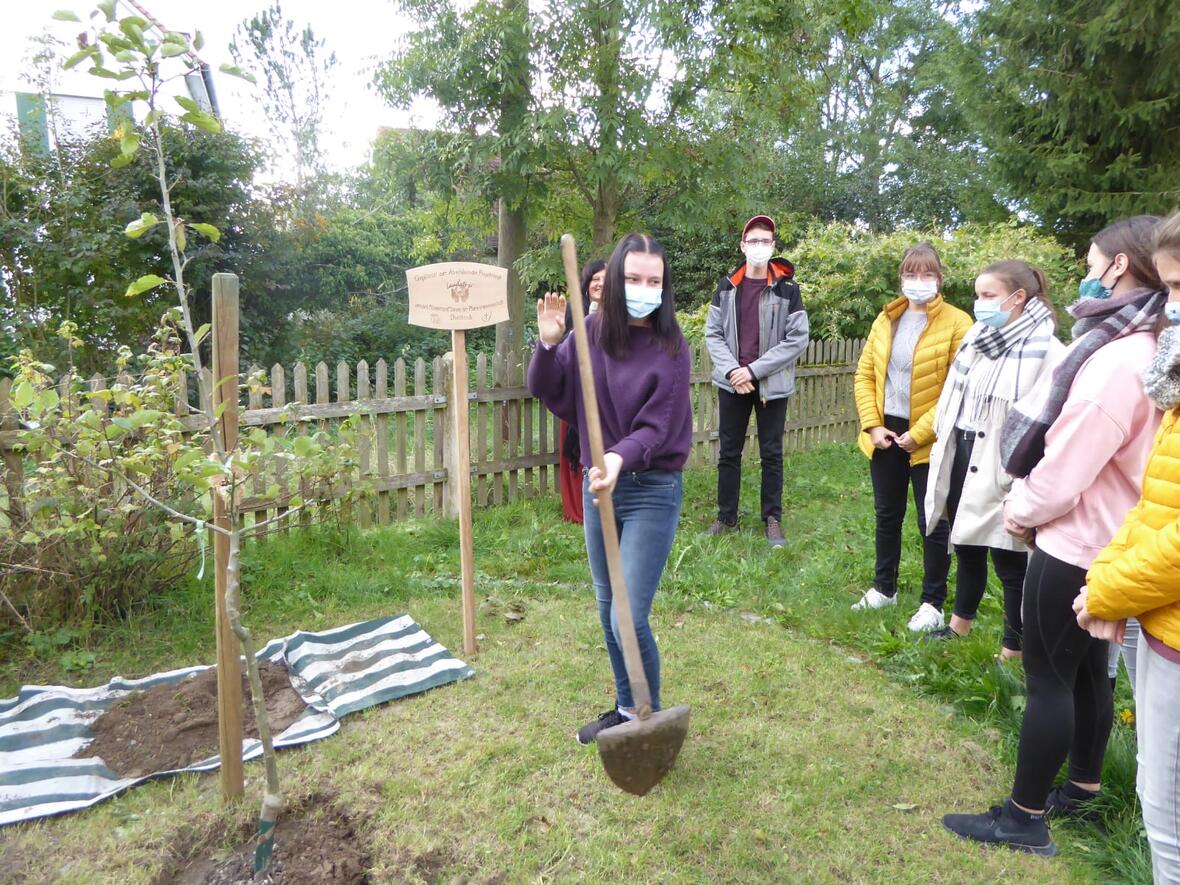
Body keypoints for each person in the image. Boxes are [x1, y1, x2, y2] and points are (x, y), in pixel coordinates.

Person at [944, 215, 1167, 856]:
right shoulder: (1156, 349)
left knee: (1048, 679)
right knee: (1091, 674)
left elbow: (1069, 461)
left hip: (1076, 541)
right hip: (1116, 540)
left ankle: (1023, 818)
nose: (1086, 276)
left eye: (1092, 263)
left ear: (1118, 267)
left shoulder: (1117, 360)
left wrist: (1021, 508)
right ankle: (1083, 791)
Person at [527, 232, 693, 746]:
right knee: (607, 605)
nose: (644, 288)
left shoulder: (671, 348)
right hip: (600, 486)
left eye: (654, 281)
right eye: (634, 278)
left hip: (651, 489)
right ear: (615, 281)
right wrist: (549, 343)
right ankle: (625, 708)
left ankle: (648, 719)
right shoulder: (590, 334)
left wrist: (618, 457)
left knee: (628, 616)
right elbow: (547, 387)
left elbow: (657, 427)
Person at [1074, 210, 1180, 882]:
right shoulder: (1175, 378)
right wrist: (1110, 576)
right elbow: (1157, 498)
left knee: (1169, 816)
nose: (1172, 306)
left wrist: (1106, 588)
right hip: (1159, 615)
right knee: (1157, 799)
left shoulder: (1133, 361)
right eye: (1168, 288)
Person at [924, 262, 1064, 648]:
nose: (979, 303)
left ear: (1017, 298)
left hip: (1006, 463)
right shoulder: (978, 338)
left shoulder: (1047, 350)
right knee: (966, 542)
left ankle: (1013, 646)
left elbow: (1047, 421)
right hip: (963, 450)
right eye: (978, 295)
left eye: (988, 295)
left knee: (1009, 557)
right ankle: (959, 626)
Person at [852, 243, 972, 623]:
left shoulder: (958, 323)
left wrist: (919, 434)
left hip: (931, 437)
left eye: (927, 274)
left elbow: (957, 389)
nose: (918, 281)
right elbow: (865, 375)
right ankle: (883, 589)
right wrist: (873, 425)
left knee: (931, 520)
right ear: (901, 277)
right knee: (887, 514)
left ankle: (932, 603)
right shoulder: (886, 319)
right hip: (886, 431)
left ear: (939, 278)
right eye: (911, 274)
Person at [704, 215, 809, 548]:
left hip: (770, 385)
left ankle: (772, 518)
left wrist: (753, 371)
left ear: (773, 246)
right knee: (729, 452)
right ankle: (726, 517)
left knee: (772, 453)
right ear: (742, 245)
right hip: (732, 383)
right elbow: (713, 333)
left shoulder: (787, 289)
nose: (759, 246)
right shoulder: (726, 287)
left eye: (765, 241)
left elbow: (797, 339)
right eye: (754, 241)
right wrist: (733, 372)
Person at [556, 259, 606, 524]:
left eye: (605, 279)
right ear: (587, 285)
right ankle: (577, 508)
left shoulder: (623, 313)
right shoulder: (574, 310)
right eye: (595, 279)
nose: (600, 284)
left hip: (607, 395)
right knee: (575, 449)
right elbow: (562, 348)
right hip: (577, 394)